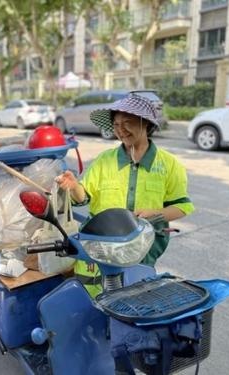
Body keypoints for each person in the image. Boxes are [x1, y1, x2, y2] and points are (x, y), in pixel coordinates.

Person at [56, 95, 194, 297]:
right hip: (102, 247)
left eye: (127, 123)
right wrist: (74, 186)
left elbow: (182, 207)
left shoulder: (169, 165)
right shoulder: (105, 160)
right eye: (117, 124)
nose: (121, 130)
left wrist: (156, 213)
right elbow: (83, 197)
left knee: (136, 295)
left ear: (146, 124)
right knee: (99, 294)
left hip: (144, 247)